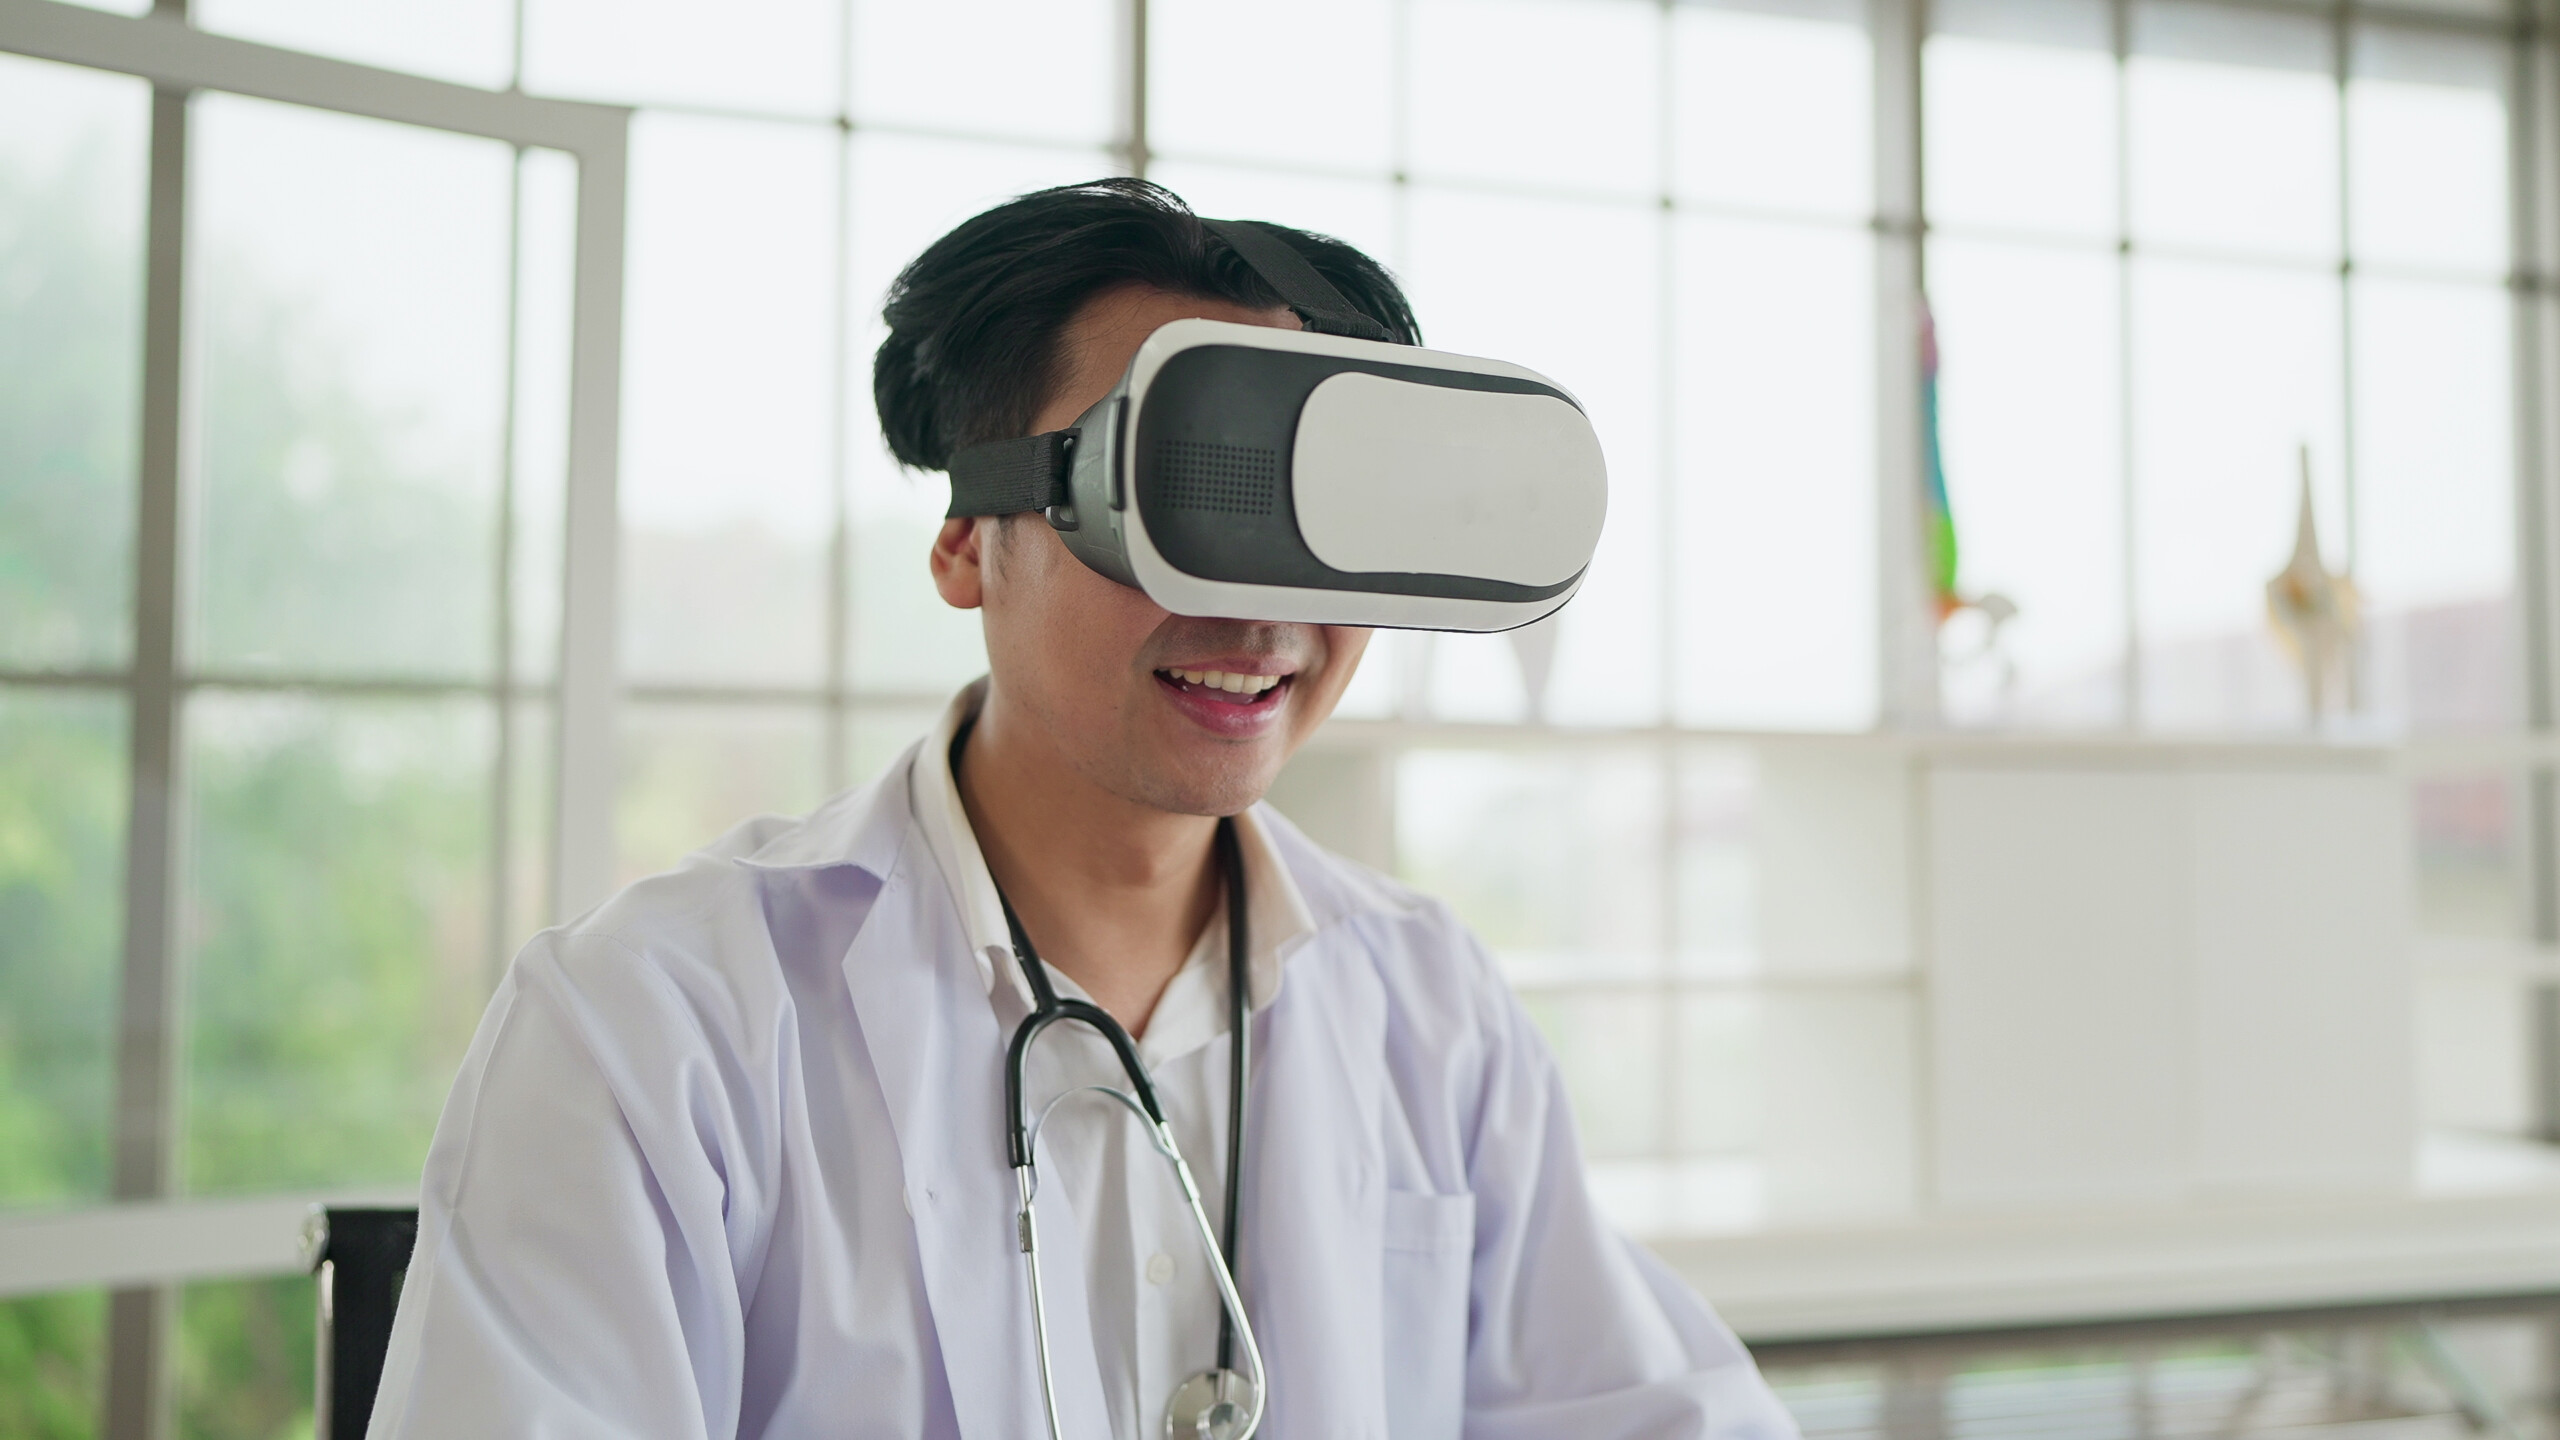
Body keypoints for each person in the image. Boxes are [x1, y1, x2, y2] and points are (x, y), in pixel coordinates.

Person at [368, 178, 1795, 1440]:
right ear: (964, 541)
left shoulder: (1433, 1012)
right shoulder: (657, 1028)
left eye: (1319, 520)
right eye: (1179, 495)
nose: (1258, 612)